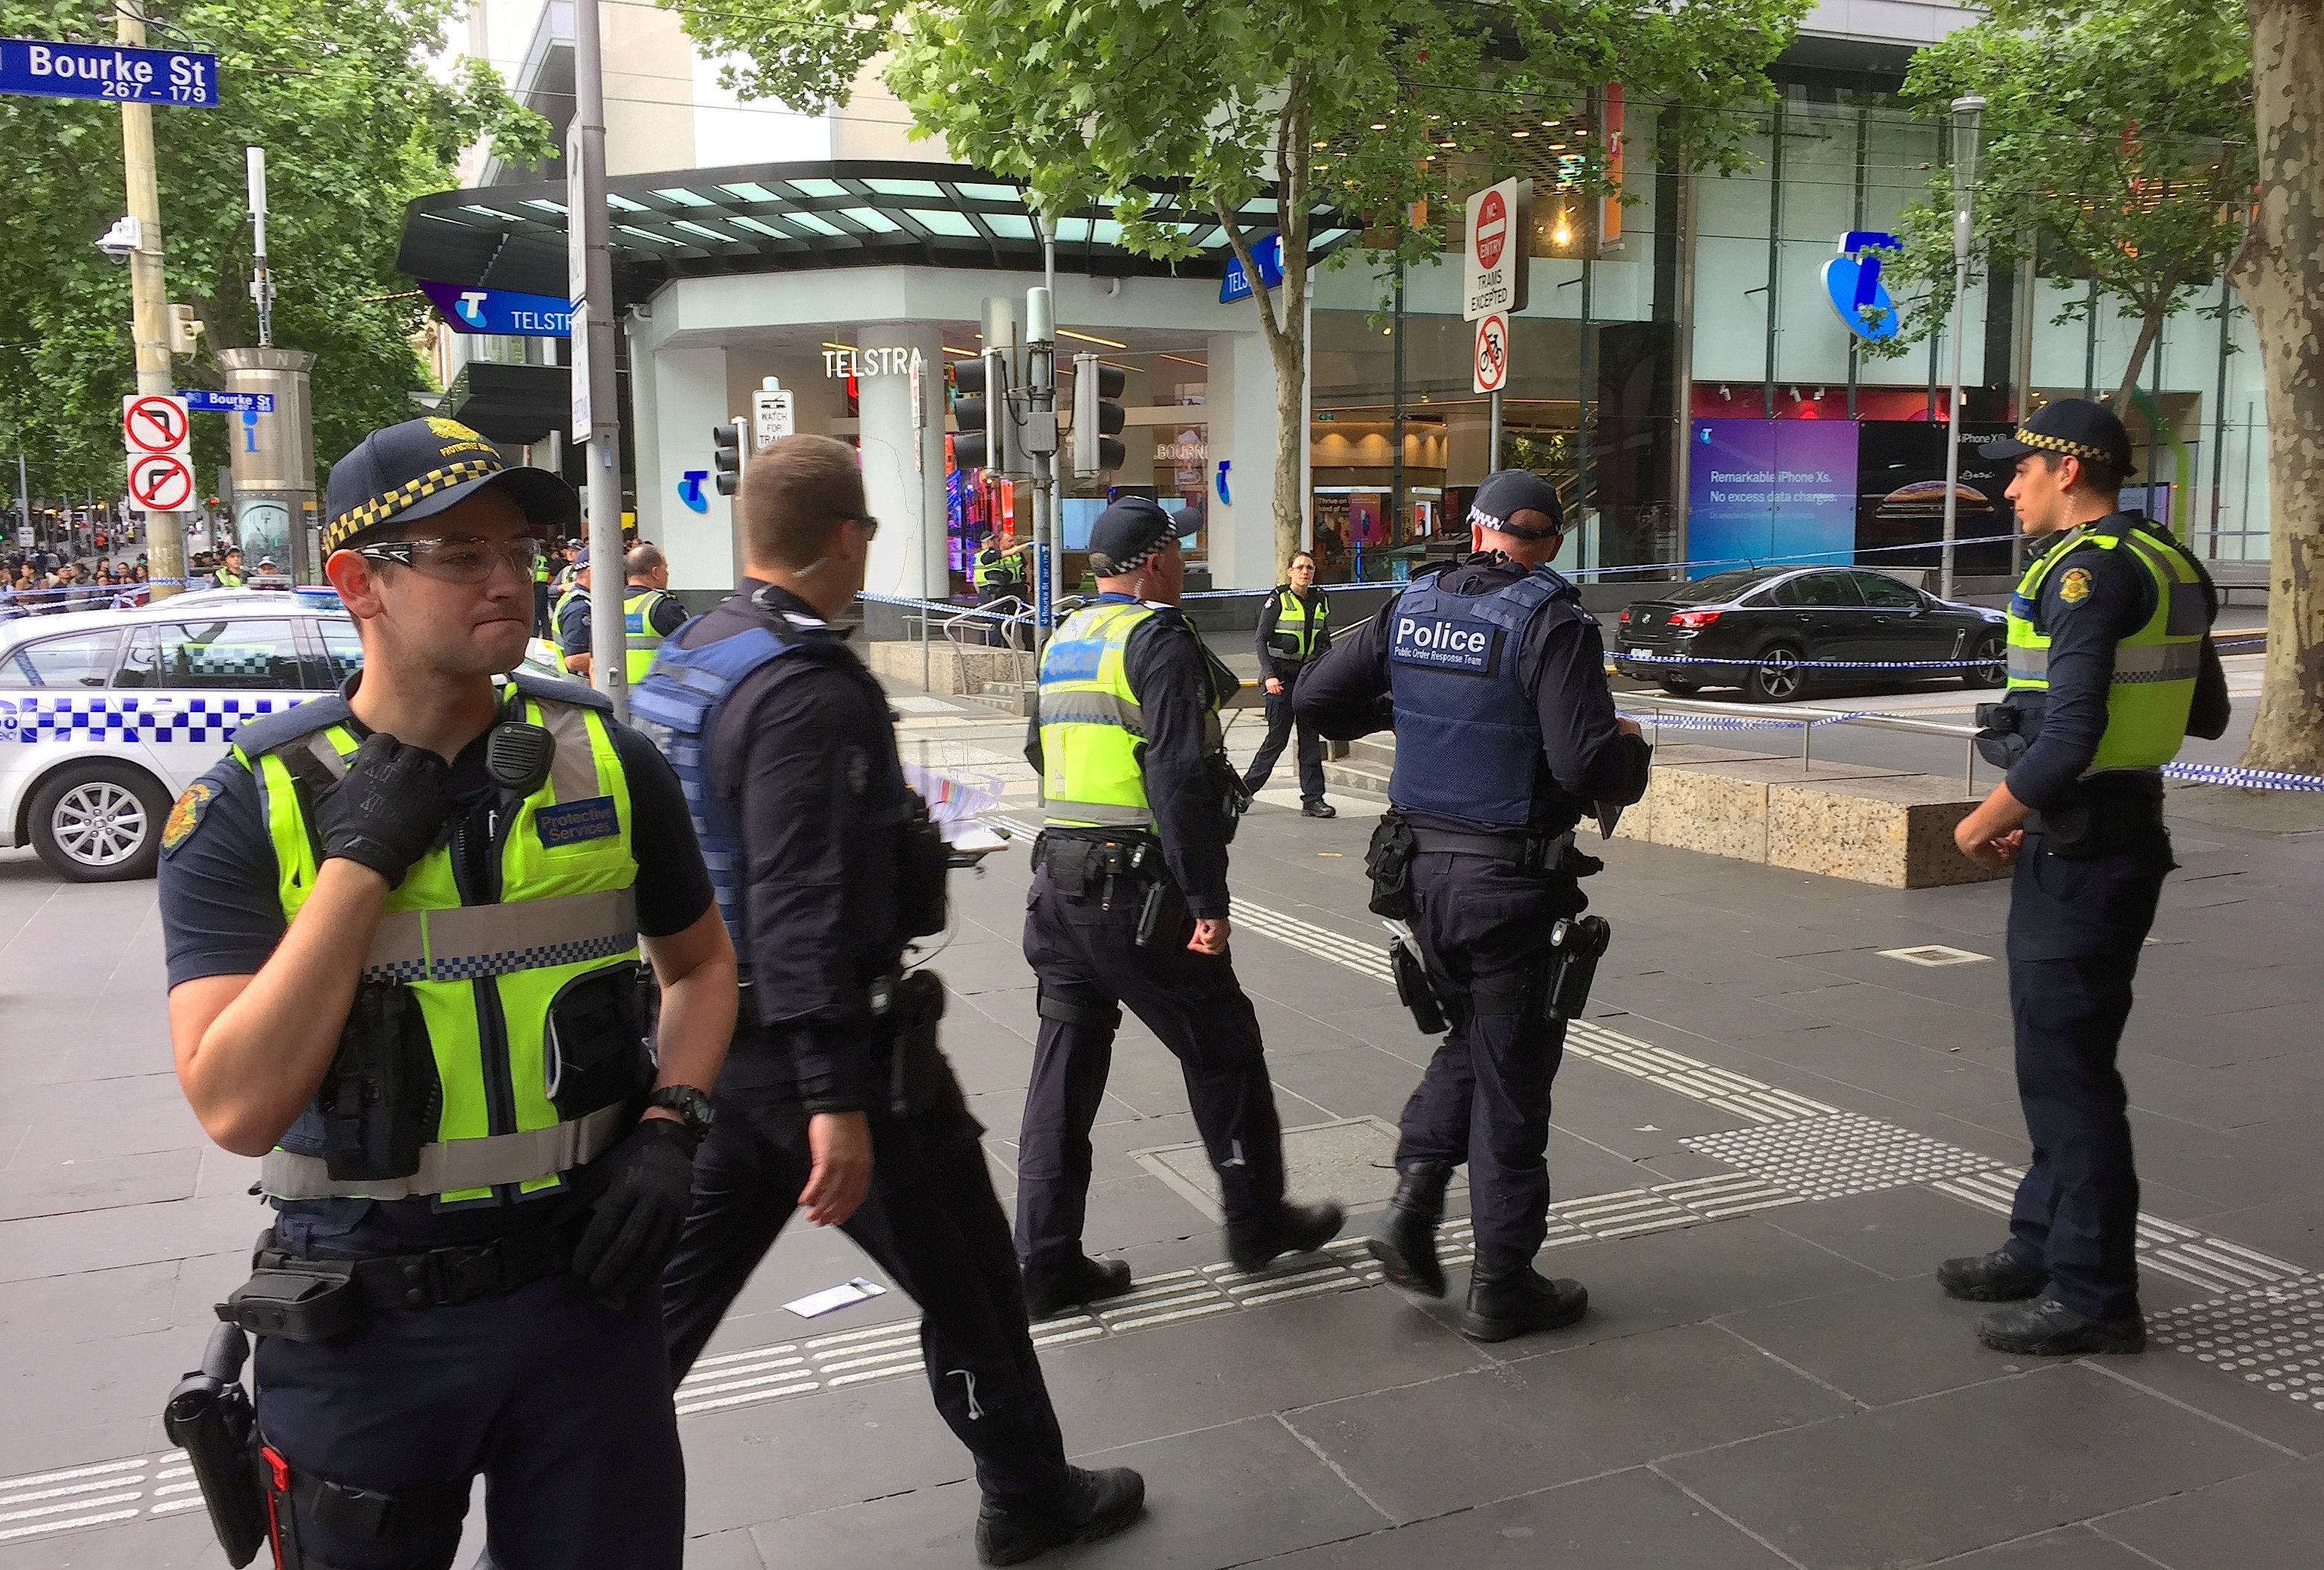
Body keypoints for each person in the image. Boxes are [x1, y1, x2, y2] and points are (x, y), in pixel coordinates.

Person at [157, 415, 737, 1569]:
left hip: (589, 1296)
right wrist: (362, 861)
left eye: (519, 550)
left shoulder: (605, 759)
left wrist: (677, 1119)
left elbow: (704, 966)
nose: (507, 579)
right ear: (355, 583)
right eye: (458, 554)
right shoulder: (247, 803)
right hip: (366, 1319)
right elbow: (234, 1105)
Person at [639, 435, 1145, 1566]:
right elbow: (802, 895)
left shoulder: (695, 654)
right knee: (967, 1271)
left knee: (656, 1313)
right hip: (835, 1052)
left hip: (711, 1046)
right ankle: (1028, 1492)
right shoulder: (806, 686)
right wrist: (835, 1095)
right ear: (847, 536)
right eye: (867, 533)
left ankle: (551, 1515)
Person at [1295, 470, 1652, 1342]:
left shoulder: (1412, 602)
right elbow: (1577, 766)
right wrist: (1627, 755)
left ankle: (1414, 1205)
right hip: (1508, 886)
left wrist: (1417, 710)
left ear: (1475, 528)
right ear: (1554, 542)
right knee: (1514, 1079)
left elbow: (1312, 697)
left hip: (1417, 881)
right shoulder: (1553, 620)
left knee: (1476, 1040)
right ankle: (1504, 1280)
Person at [1942, 399, 2224, 1357]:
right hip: (2103, 834)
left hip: (2084, 845)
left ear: (2069, 472)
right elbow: (2210, 710)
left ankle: (2096, 1294)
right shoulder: (2167, 561)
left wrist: (1981, 824)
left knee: (2068, 1075)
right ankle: (2040, 1242)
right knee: (2056, 1057)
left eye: (2019, 468)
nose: (2007, 484)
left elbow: (2071, 737)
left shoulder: (2089, 577)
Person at [1017, 496, 1343, 1318]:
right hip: (1135, 889)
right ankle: (1256, 1221)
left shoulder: (1066, 638)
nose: (1185, 566)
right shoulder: (1157, 640)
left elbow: (1037, 747)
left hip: (1056, 884)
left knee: (1065, 1069)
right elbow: (1175, 777)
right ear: (1156, 560)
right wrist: (1207, 900)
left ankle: (1044, 1259)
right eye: (1180, 553)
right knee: (1223, 1045)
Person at [1241, 549, 1335, 817]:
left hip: (1308, 679)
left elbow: (1324, 640)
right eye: (1300, 567)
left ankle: (1313, 801)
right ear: (1290, 572)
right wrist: (1269, 675)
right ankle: (1243, 794)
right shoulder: (1278, 600)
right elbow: (1260, 640)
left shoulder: (1320, 600)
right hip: (1280, 678)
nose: (1305, 572)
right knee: (1276, 740)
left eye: (1310, 568)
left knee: (1310, 740)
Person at [620, 542, 687, 685]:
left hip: (615, 696)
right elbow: (690, 652)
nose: (668, 573)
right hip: (655, 696)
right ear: (655, 572)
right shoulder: (664, 607)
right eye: (666, 568)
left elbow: (594, 665)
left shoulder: (609, 607)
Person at [555, 551, 594, 678]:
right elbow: (574, 660)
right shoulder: (580, 607)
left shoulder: (572, 597)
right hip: (581, 683)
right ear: (590, 571)